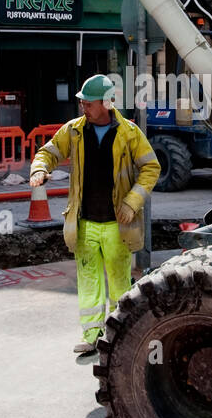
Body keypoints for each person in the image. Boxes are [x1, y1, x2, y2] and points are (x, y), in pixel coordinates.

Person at [29, 74, 160, 356]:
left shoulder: (129, 133)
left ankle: (120, 335)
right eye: (82, 103)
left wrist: (132, 202)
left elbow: (151, 168)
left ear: (107, 103)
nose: (83, 108)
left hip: (117, 224)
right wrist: (39, 168)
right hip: (85, 222)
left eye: (88, 103)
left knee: (119, 283)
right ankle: (91, 336)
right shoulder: (74, 130)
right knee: (88, 282)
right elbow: (48, 152)